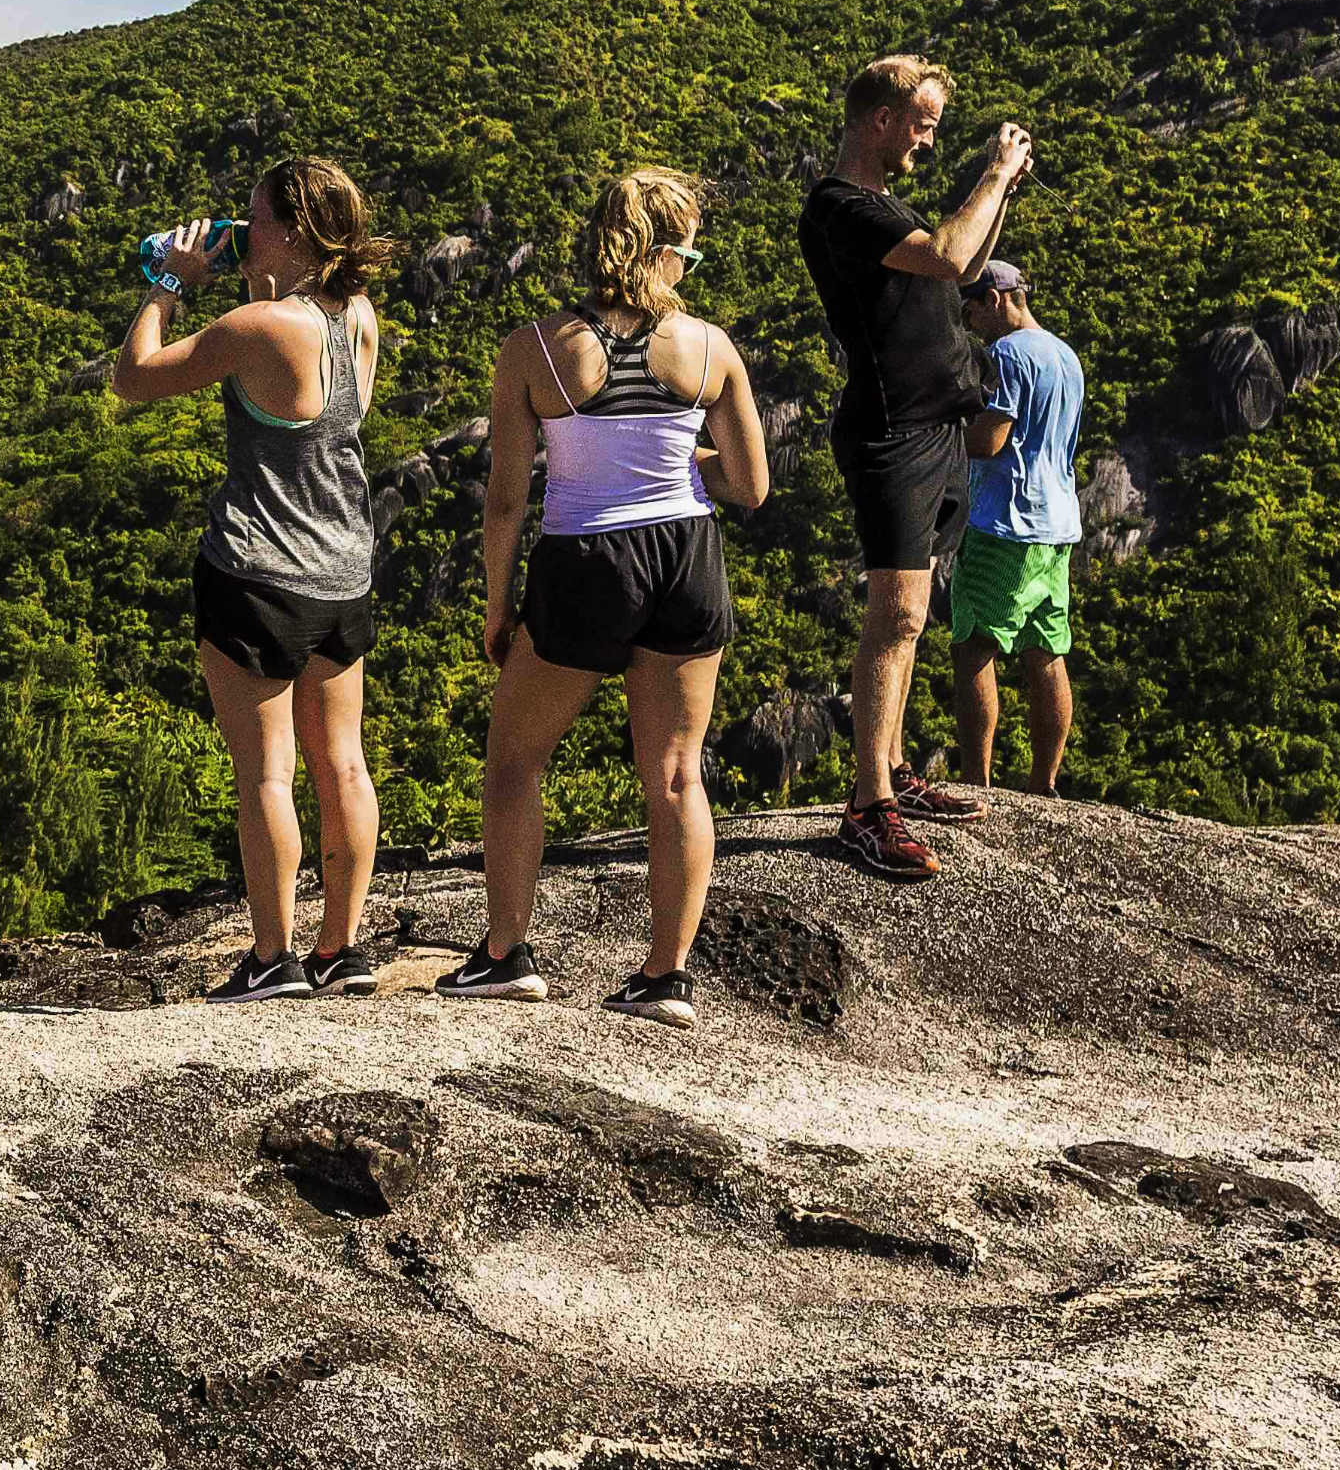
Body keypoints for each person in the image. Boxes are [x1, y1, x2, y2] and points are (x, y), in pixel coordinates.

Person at [454, 168, 771, 1025]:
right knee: (675, 774)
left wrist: (497, 604)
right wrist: (675, 461)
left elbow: (507, 498)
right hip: (687, 554)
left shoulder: (537, 347)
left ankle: (505, 954)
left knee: (516, 758)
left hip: (586, 558)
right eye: (691, 254)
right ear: (665, 253)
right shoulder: (711, 349)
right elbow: (750, 485)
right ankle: (666, 977)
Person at [111, 157, 391, 1003]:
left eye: (255, 219)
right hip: (343, 569)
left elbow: (134, 377)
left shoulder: (261, 325)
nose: (242, 231)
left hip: (258, 570)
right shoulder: (360, 317)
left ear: (297, 230)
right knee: (343, 763)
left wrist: (168, 281)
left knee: (268, 774)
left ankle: (273, 959)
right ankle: (341, 947)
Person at [804, 56, 1032, 880]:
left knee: (914, 611)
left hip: (935, 433)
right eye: (923, 123)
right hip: (893, 435)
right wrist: (995, 170)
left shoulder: (880, 207)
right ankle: (868, 805)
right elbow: (945, 254)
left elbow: (964, 266)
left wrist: (1001, 192)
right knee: (896, 614)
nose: (928, 141)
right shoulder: (840, 206)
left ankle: (892, 765)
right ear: (880, 119)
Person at [951, 261, 1083, 794]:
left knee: (974, 648)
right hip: (1058, 525)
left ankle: (974, 783)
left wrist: (938, 433)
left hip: (1006, 524)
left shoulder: (1005, 356)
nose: (969, 323)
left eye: (971, 309)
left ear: (996, 299)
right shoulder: (1064, 355)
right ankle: (1043, 782)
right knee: (1046, 652)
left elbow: (989, 441)